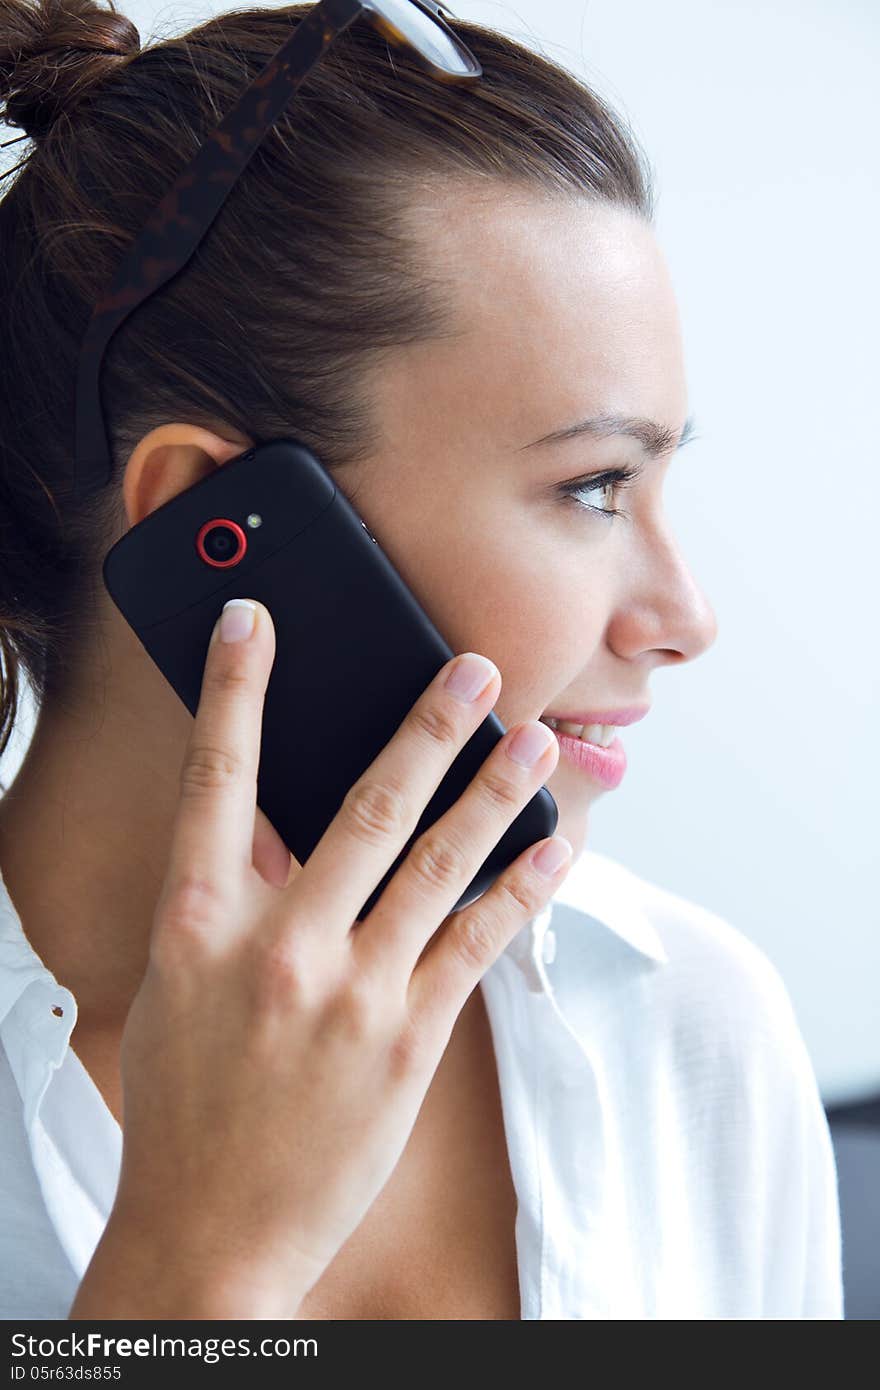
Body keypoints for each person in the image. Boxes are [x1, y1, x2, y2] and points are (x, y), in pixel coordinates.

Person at [0, 0, 843, 1320]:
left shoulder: (693, 1024)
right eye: (593, 486)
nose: (684, 617)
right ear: (211, 528)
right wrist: (196, 1261)